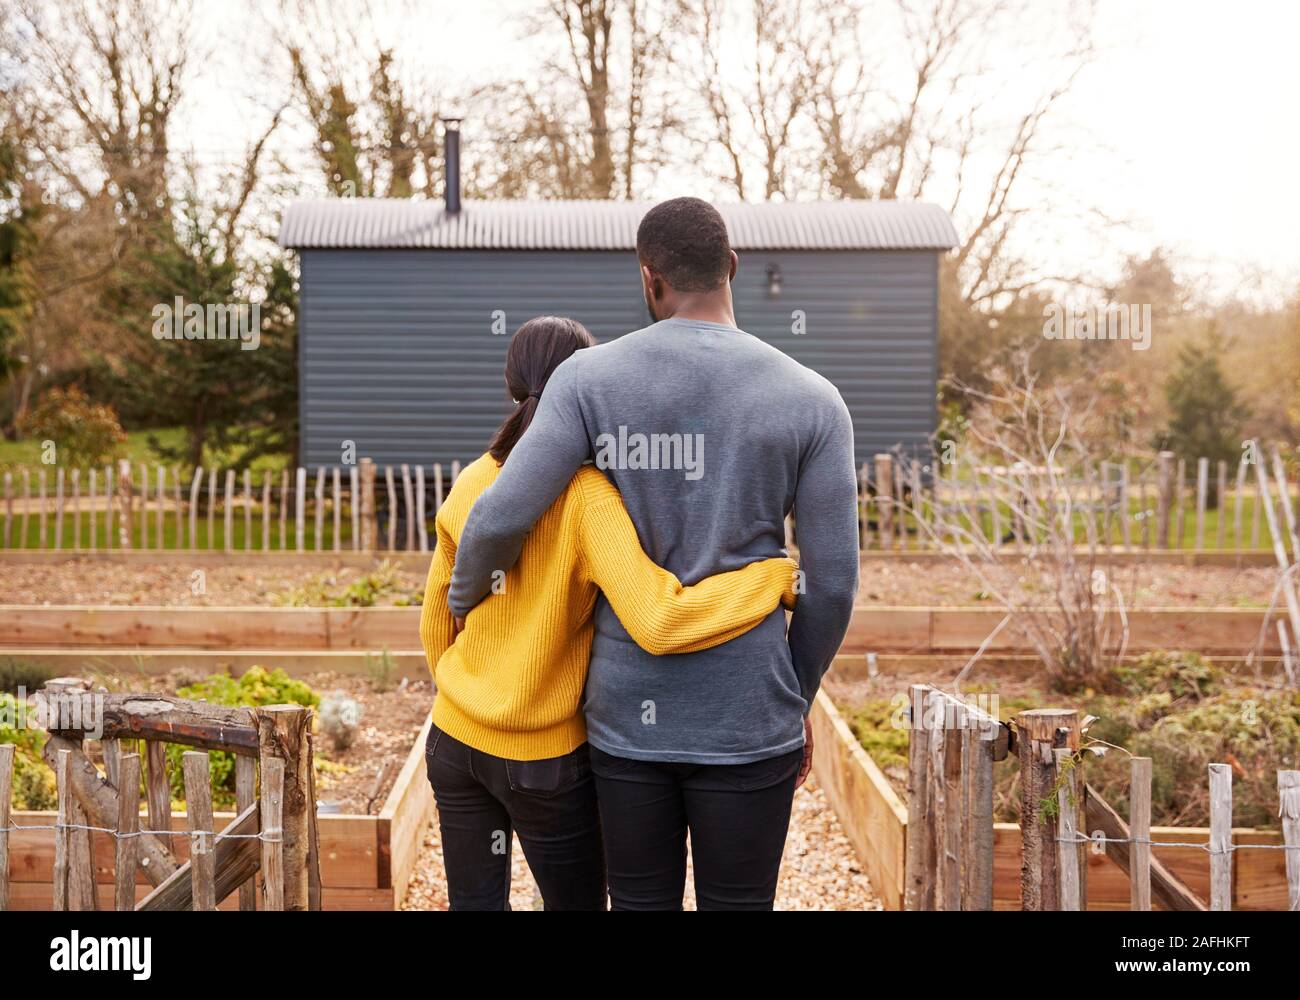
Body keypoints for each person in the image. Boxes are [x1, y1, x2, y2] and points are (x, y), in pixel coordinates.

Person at [447, 198, 860, 911]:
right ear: (731, 267)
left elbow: (498, 515)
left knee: (639, 903)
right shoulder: (814, 400)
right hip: (749, 714)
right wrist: (794, 693)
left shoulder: (587, 382)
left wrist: (463, 599)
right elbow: (835, 585)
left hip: (625, 718)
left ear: (650, 279)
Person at [419, 314, 798, 911]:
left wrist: (468, 692)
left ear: (510, 383)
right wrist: (772, 577)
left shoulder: (473, 480)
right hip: (541, 760)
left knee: (474, 903)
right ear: (588, 389)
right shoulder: (588, 495)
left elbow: (438, 618)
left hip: (453, 741)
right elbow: (659, 620)